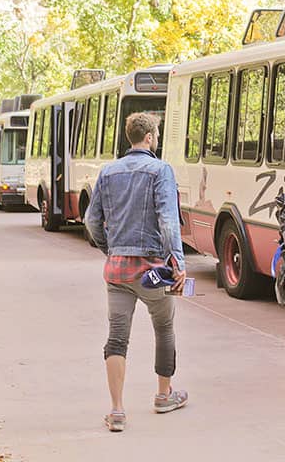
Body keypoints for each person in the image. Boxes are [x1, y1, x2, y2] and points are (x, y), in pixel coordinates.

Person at [84, 112, 187, 433]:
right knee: (164, 327)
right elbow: (168, 220)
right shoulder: (160, 170)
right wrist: (178, 263)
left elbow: (90, 220)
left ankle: (116, 410)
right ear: (151, 138)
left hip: (117, 269)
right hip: (153, 270)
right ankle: (163, 394)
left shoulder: (108, 171)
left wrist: (110, 249)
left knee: (117, 337)